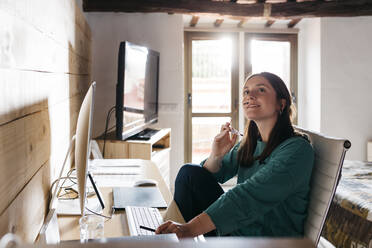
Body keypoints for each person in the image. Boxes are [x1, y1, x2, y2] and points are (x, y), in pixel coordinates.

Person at [155, 72, 315, 238]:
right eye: (246, 91)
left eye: (260, 90)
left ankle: (174, 237)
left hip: (266, 239)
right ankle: (169, 236)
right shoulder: (250, 143)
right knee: (189, 173)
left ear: (281, 104)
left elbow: (248, 196)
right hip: (241, 228)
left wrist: (188, 229)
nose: (249, 96)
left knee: (197, 194)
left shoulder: (297, 150)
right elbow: (208, 177)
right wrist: (216, 155)